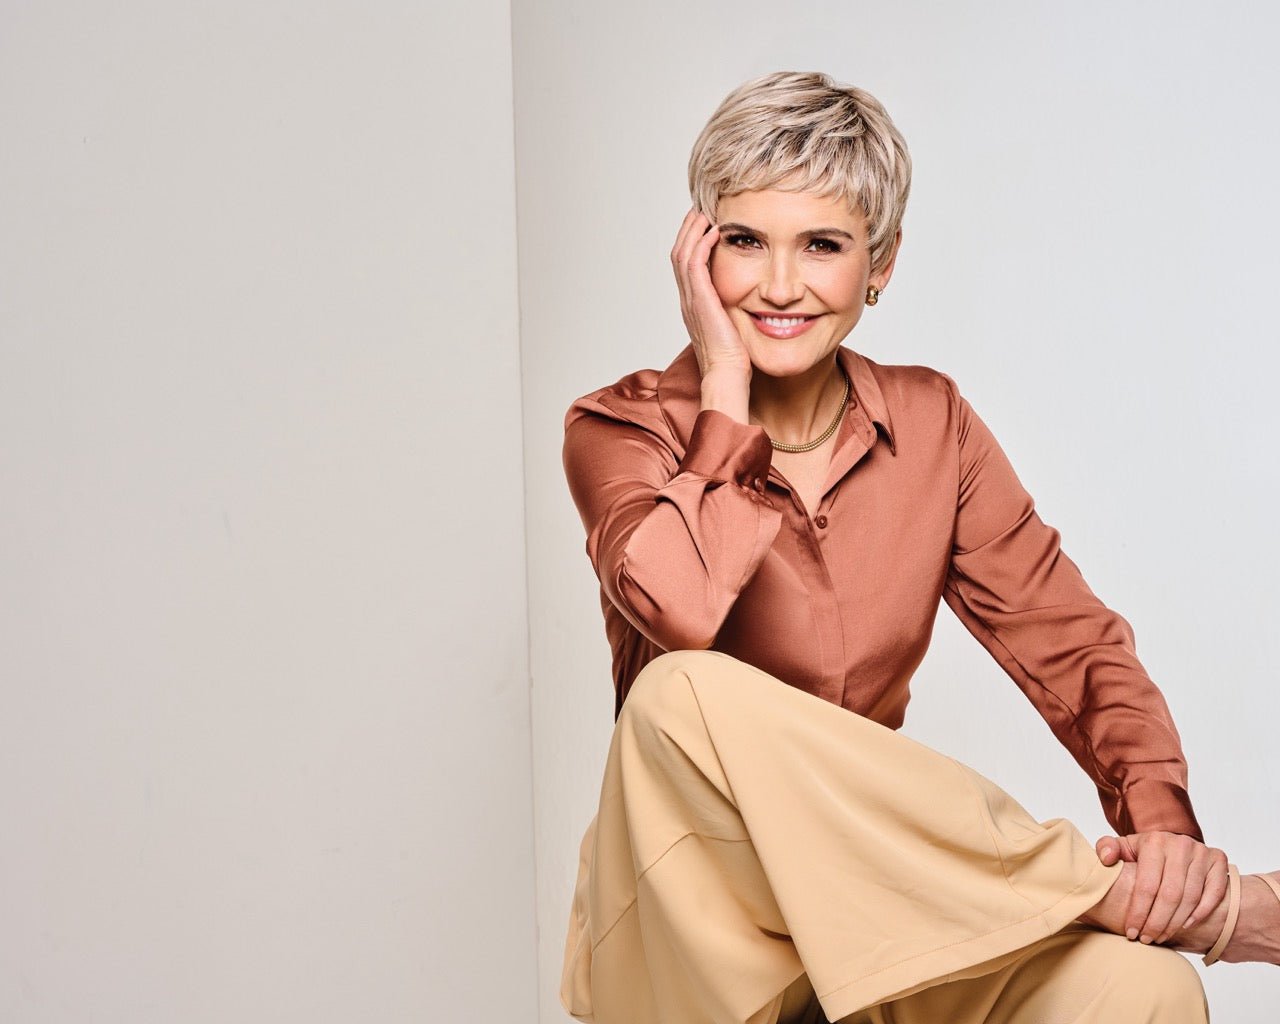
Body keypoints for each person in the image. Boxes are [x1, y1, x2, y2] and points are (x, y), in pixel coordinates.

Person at [557, 71, 1280, 1024]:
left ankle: (1160, 905)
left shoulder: (933, 424)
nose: (780, 285)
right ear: (698, 252)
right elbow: (682, 612)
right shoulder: (621, 428)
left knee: (1144, 988)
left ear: (882, 263)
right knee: (678, 694)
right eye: (745, 241)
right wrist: (723, 392)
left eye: (822, 245)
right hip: (697, 936)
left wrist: (1166, 838)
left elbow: (1072, 642)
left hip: (880, 910)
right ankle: (1131, 897)